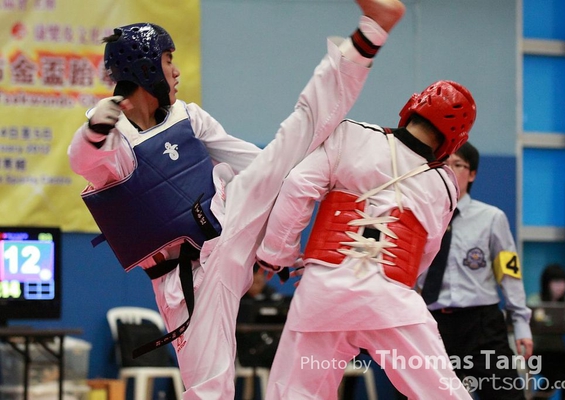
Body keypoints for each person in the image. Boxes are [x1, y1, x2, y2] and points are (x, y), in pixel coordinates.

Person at [67, 1, 406, 399]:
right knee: (209, 389)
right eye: (168, 60)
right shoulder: (114, 142)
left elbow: (256, 163)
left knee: (294, 141)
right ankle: (280, 249)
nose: (176, 71)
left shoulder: (188, 116)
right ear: (144, 69)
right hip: (189, 279)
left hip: (231, 222)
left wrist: (303, 178)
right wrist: (95, 128)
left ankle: (370, 34)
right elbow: (83, 159)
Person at [255, 79, 477, 398]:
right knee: (442, 393)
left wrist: (277, 254)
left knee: (295, 393)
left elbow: (298, 186)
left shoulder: (351, 135)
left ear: (412, 106)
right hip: (391, 304)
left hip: (324, 294)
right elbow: (426, 252)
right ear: (456, 138)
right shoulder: (444, 185)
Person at [417, 141, 533, 400]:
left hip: (482, 324)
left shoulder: (491, 218)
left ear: (472, 174)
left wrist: (521, 324)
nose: (449, 170)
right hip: (434, 324)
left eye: (457, 164)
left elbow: (509, 275)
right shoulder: (421, 216)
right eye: (443, 164)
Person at [528, 263, 565, 400]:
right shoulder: (535, 300)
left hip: (559, 351)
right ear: (547, 283)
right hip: (538, 351)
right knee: (555, 372)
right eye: (556, 282)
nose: (560, 286)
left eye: (563, 282)